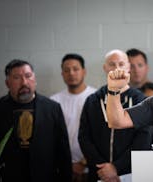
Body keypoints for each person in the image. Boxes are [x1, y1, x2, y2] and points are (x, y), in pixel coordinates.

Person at [78, 50, 153, 182]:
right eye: (112, 64)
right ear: (105, 68)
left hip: (130, 173)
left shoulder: (141, 100)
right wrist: (103, 168)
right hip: (99, 172)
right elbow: (84, 137)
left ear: (128, 67)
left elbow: (144, 138)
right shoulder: (93, 100)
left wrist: (116, 167)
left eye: (121, 64)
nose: (117, 68)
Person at [0, 59, 72, 182]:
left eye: (28, 76)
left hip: (45, 177)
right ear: (7, 83)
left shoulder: (52, 108)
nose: (24, 82)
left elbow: (63, 150)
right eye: (17, 77)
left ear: (35, 79)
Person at [50, 53, 96, 182]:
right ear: (62, 74)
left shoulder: (96, 98)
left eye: (75, 69)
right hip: (63, 168)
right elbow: (52, 137)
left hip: (92, 168)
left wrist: (83, 162)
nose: (71, 73)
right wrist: (67, 164)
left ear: (84, 71)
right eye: (66, 70)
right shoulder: (53, 102)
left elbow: (100, 135)